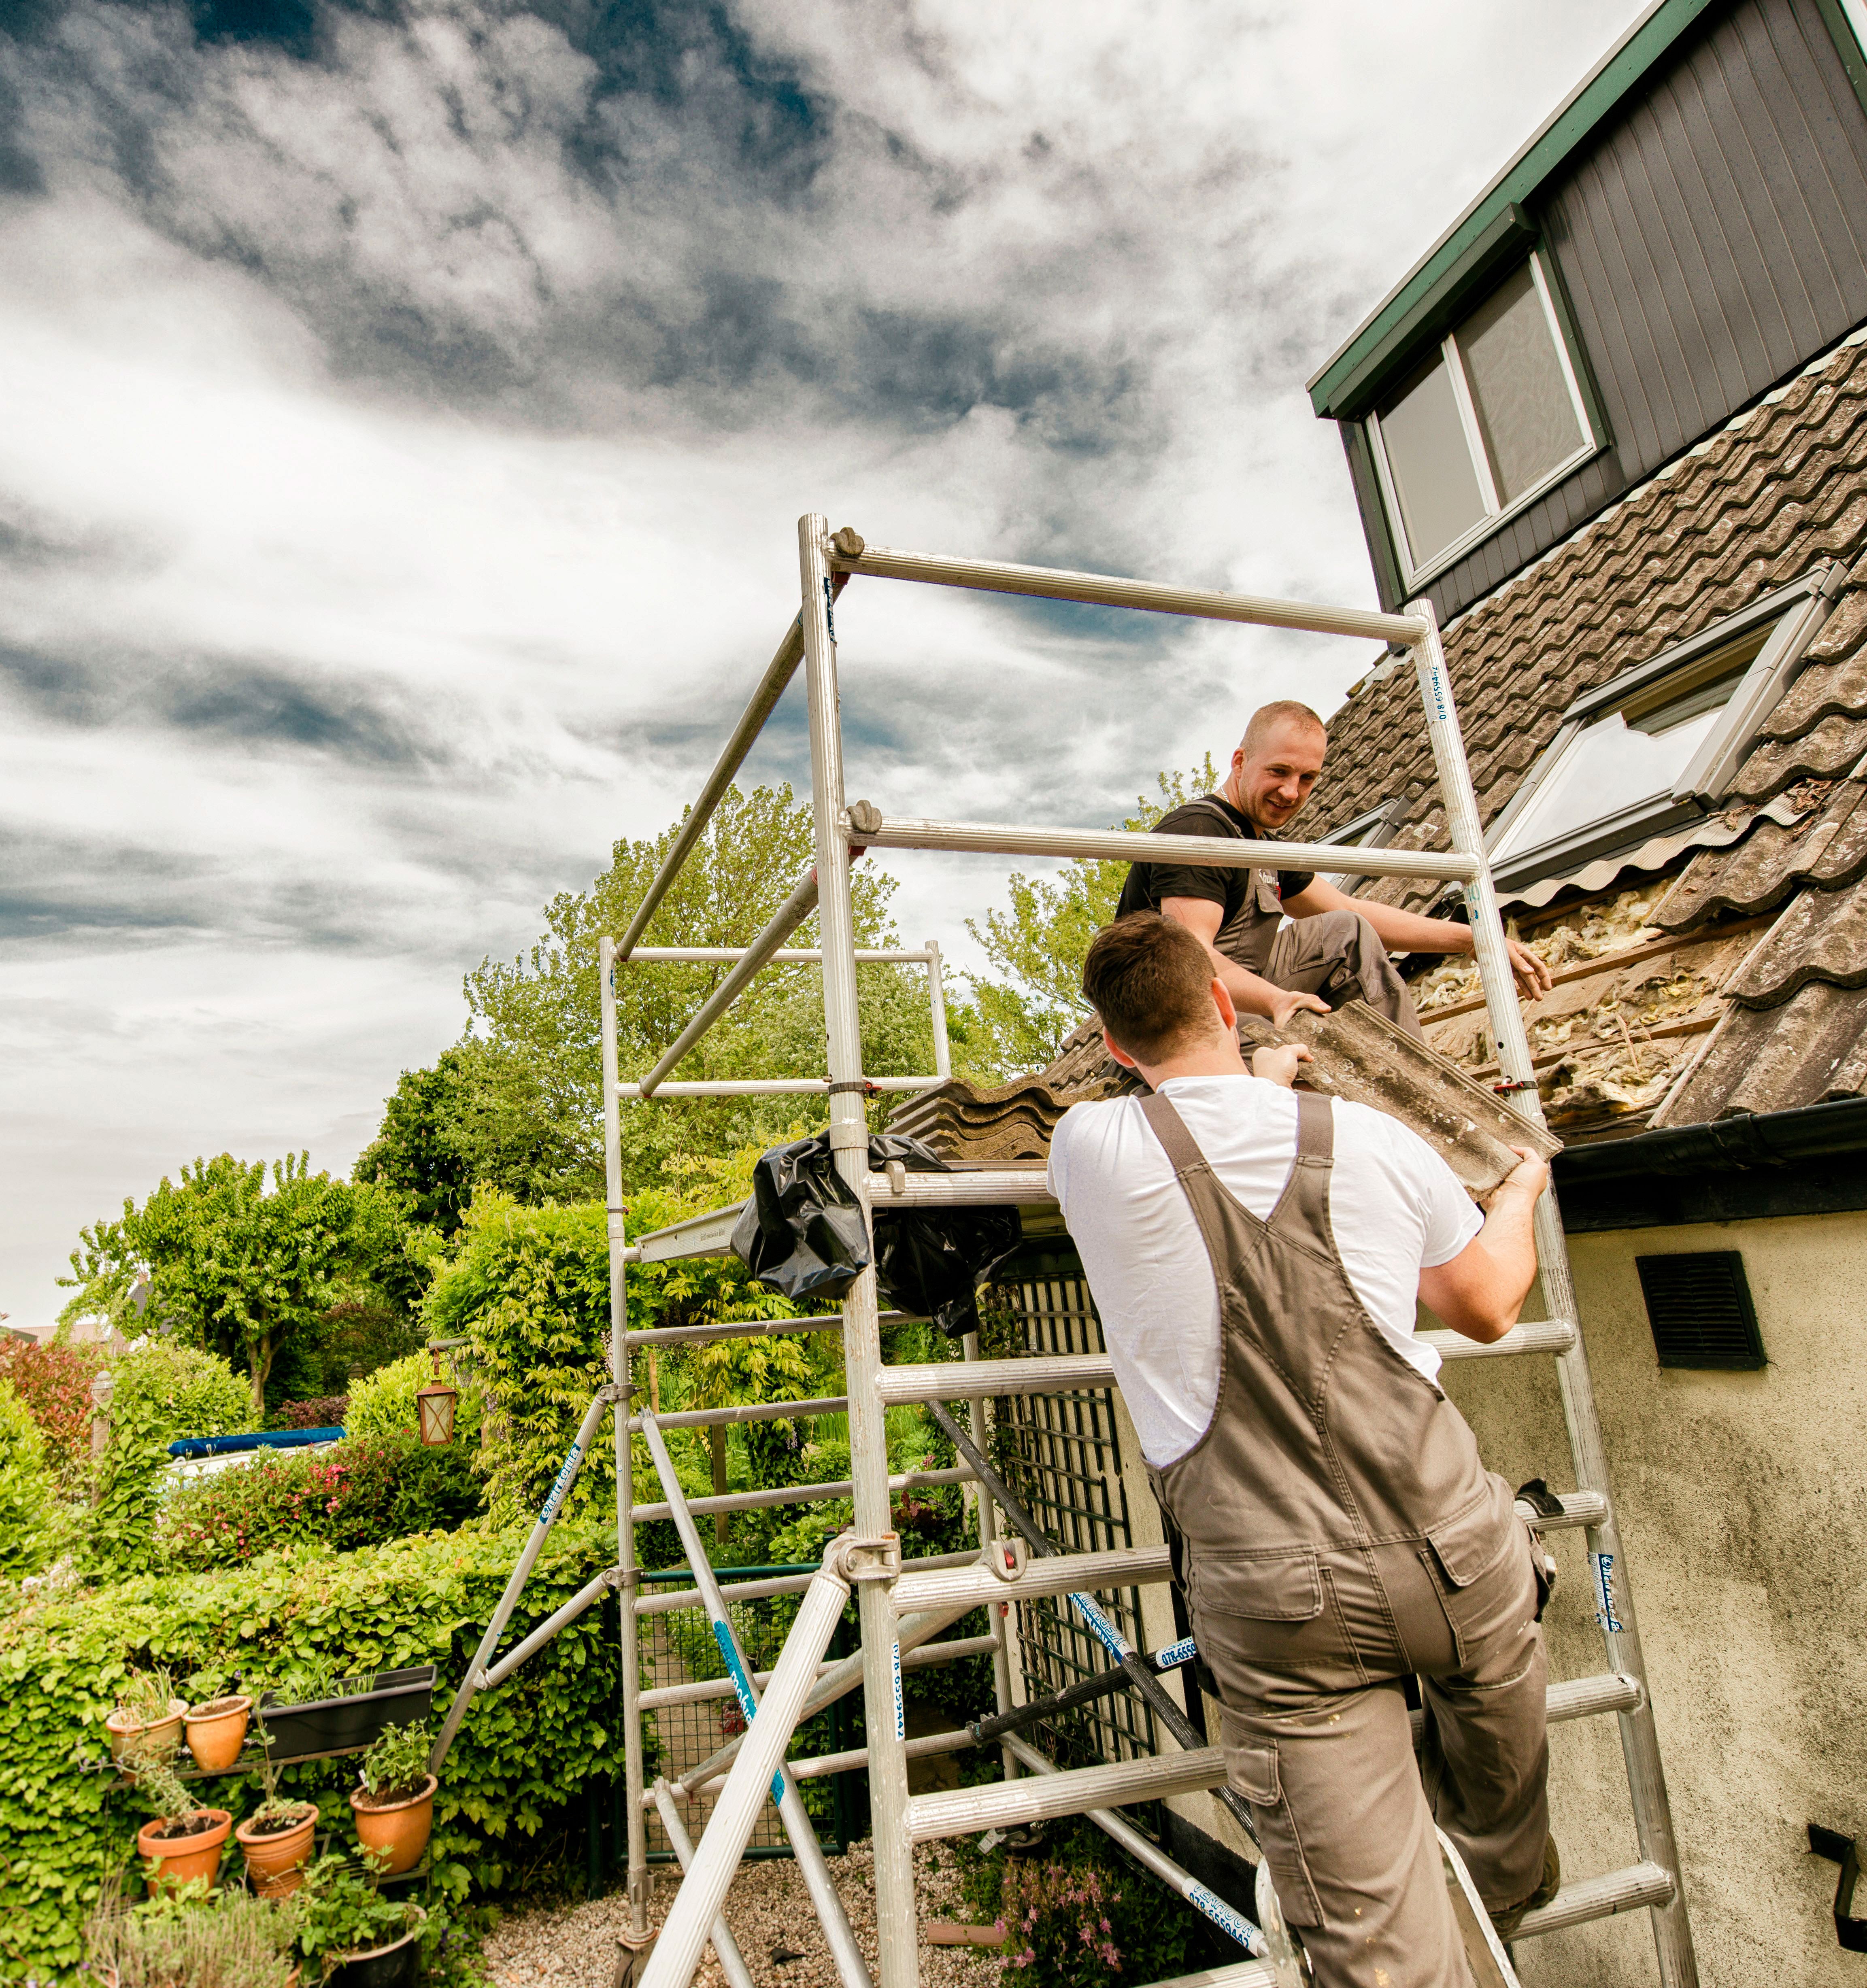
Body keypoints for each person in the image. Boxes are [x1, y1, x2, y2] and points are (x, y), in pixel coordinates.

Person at [1051, 911, 1559, 1988]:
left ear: (1111, 1048)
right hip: (1457, 1559)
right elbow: (1480, 1305)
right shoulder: (1374, 1139)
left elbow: (1184, 1127)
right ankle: (1498, 1909)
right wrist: (1515, 1194)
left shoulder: (1088, 1148)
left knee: (1378, 1954)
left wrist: (1258, 1088)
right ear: (1228, 1004)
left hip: (1284, 1611)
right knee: (1499, 1828)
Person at [1115, 700, 1553, 1036]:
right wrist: (1279, 999)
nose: (1291, 791)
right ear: (1239, 762)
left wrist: (1476, 939)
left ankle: (1406, 1076)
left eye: (1307, 778)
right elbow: (1193, 960)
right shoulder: (1201, 832)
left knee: (1345, 929)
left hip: (1240, 1005)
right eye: (1279, 772)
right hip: (1174, 1026)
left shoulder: (1264, 847)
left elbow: (1348, 910)